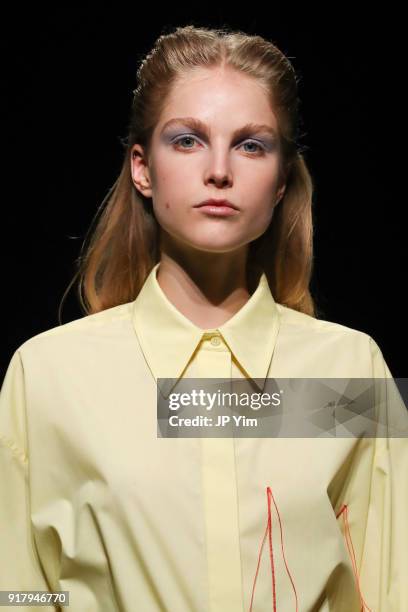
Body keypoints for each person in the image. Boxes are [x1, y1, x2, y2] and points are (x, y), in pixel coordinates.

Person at [0, 24, 407, 612]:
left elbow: (388, 584)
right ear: (142, 167)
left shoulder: (350, 369)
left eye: (251, 144)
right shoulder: (47, 375)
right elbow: (18, 590)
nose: (220, 170)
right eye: (188, 140)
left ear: (281, 181)